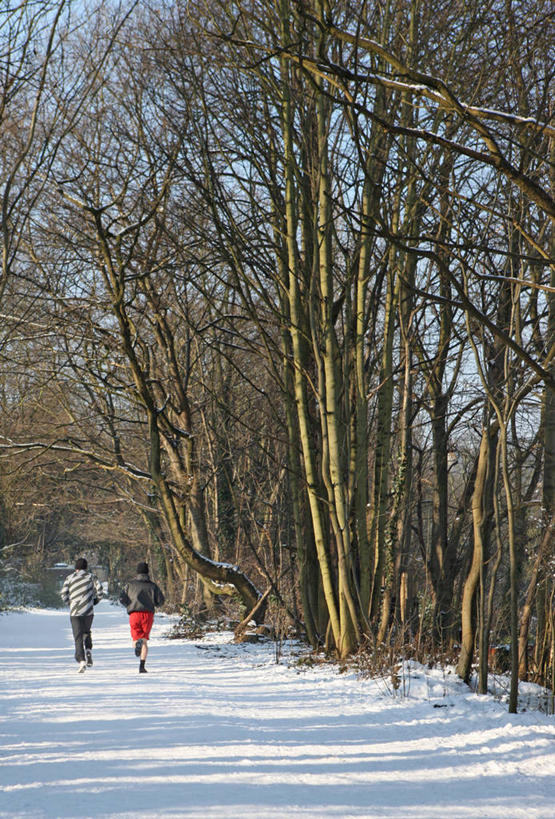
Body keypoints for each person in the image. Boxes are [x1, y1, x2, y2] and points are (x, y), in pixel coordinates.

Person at [119, 562, 165, 673]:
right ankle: (142, 666)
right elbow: (161, 601)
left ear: (137, 572)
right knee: (144, 640)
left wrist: (129, 604)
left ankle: (136, 645)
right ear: (147, 572)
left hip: (134, 614)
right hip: (148, 615)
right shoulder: (153, 586)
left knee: (135, 638)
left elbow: (121, 598)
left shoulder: (130, 585)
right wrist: (153, 604)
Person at [60, 558, 104, 672]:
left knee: (78, 636)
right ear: (86, 567)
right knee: (86, 632)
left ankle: (81, 660)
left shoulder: (69, 578)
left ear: (76, 568)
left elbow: (63, 594)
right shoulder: (91, 577)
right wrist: (95, 601)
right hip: (88, 611)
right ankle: (88, 650)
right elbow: (100, 590)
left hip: (75, 612)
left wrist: (70, 603)